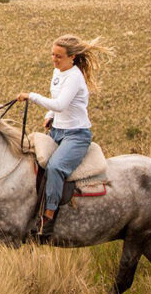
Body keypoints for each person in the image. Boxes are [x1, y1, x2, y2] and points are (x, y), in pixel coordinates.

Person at [16, 35, 115, 240]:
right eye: (53, 54)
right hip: (58, 131)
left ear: (72, 57)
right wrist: (50, 116)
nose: (54, 59)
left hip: (76, 135)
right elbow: (58, 104)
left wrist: (32, 96)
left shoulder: (74, 77)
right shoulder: (58, 72)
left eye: (59, 56)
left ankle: (49, 218)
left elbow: (61, 104)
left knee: (55, 168)